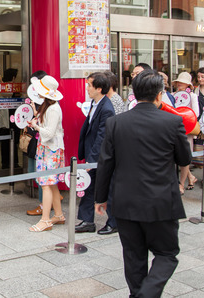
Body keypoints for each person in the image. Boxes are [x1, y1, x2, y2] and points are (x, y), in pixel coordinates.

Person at [95, 69, 192, 298]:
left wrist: (100, 198)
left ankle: (137, 294)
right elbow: (185, 159)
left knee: (133, 255)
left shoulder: (116, 123)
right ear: (160, 95)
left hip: (126, 201)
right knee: (167, 254)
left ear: (134, 94)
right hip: (161, 202)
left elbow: (105, 163)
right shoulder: (173, 121)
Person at [76, 72, 116, 234]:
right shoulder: (95, 103)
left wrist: (91, 160)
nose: (87, 88)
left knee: (108, 188)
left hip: (101, 157)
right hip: (92, 154)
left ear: (99, 88)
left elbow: (102, 137)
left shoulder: (106, 108)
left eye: (89, 85)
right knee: (88, 186)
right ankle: (87, 221)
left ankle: (114, 222)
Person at [27, 75, 65, 232]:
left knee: (46, 184)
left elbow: (48, 133)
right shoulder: (49, 106)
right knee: (51, 184)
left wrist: (36, 127)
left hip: (50, 149)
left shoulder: (54, 108)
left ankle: (45, 220)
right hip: (48, 148)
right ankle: (58, 215)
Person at [25, 71, 48, 216]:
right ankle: (53, 197)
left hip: (43, 144)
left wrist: (36, 124)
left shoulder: (50, 103)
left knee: (41, 175)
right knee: (34, 172)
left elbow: (48, 127)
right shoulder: (40, 101)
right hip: (36, 141)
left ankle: (43, 204)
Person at [172, 72, 199, 194]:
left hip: (187, 128)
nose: (180, 84)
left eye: (182, 82)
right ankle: (190, 177)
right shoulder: (173, 95)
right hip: (174, 128)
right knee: (176, 155)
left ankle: (182, 184)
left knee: (185, 155)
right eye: (178, 82)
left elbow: (196, 113)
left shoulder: (192, 96)